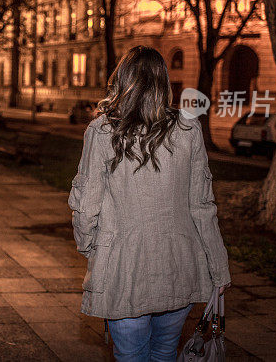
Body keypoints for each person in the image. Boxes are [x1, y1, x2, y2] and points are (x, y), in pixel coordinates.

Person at [69, 46, 231, 362]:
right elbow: (202, 205)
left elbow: (87, 204)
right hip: (178, 262)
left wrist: (89, 247)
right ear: (163, 82)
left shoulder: (103, 130)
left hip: (122, 266)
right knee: (164, 353)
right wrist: (218, 268)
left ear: (122, 80)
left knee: (131, 356)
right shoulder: (188, 127)